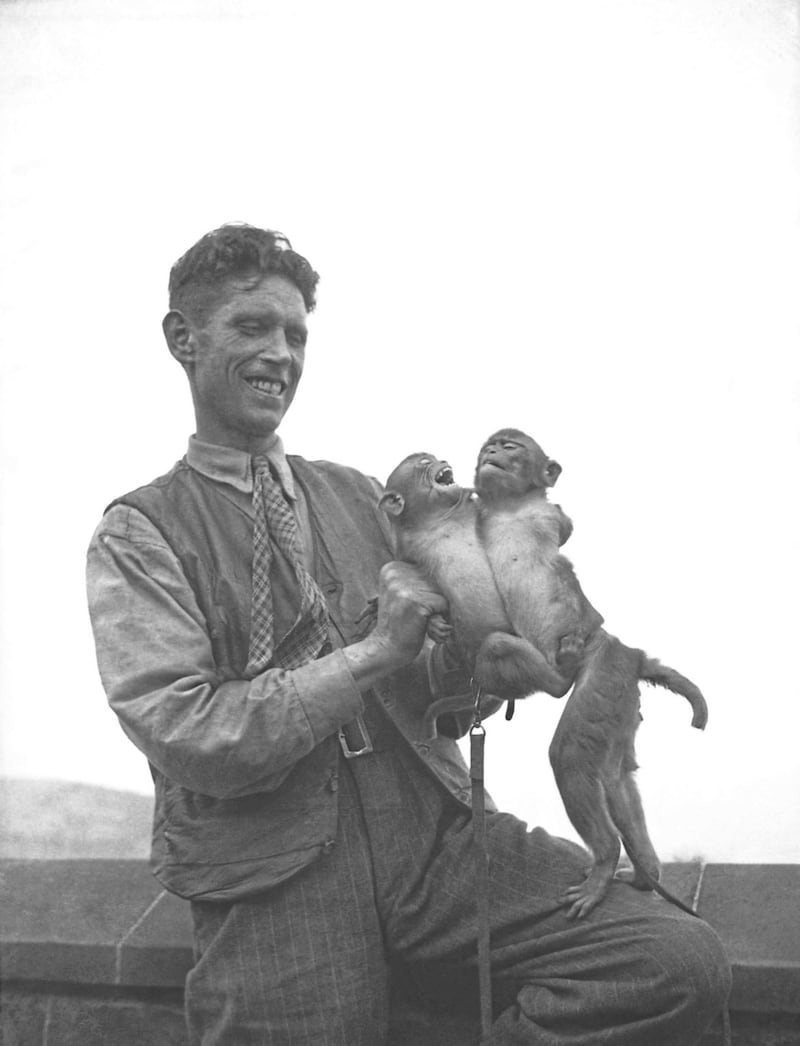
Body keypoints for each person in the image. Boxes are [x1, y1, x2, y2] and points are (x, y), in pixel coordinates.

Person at [87, 223, 731, 1046]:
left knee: (675, 962)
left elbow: (437, 698)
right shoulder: (138, 534)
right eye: (252, 327)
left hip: (436, 840)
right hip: (276, 878)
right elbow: (189, 734)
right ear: (183, 337)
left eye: (295, 334)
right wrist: (375, 652)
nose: (279, 353)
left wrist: (482, 659)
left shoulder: (364, 497)